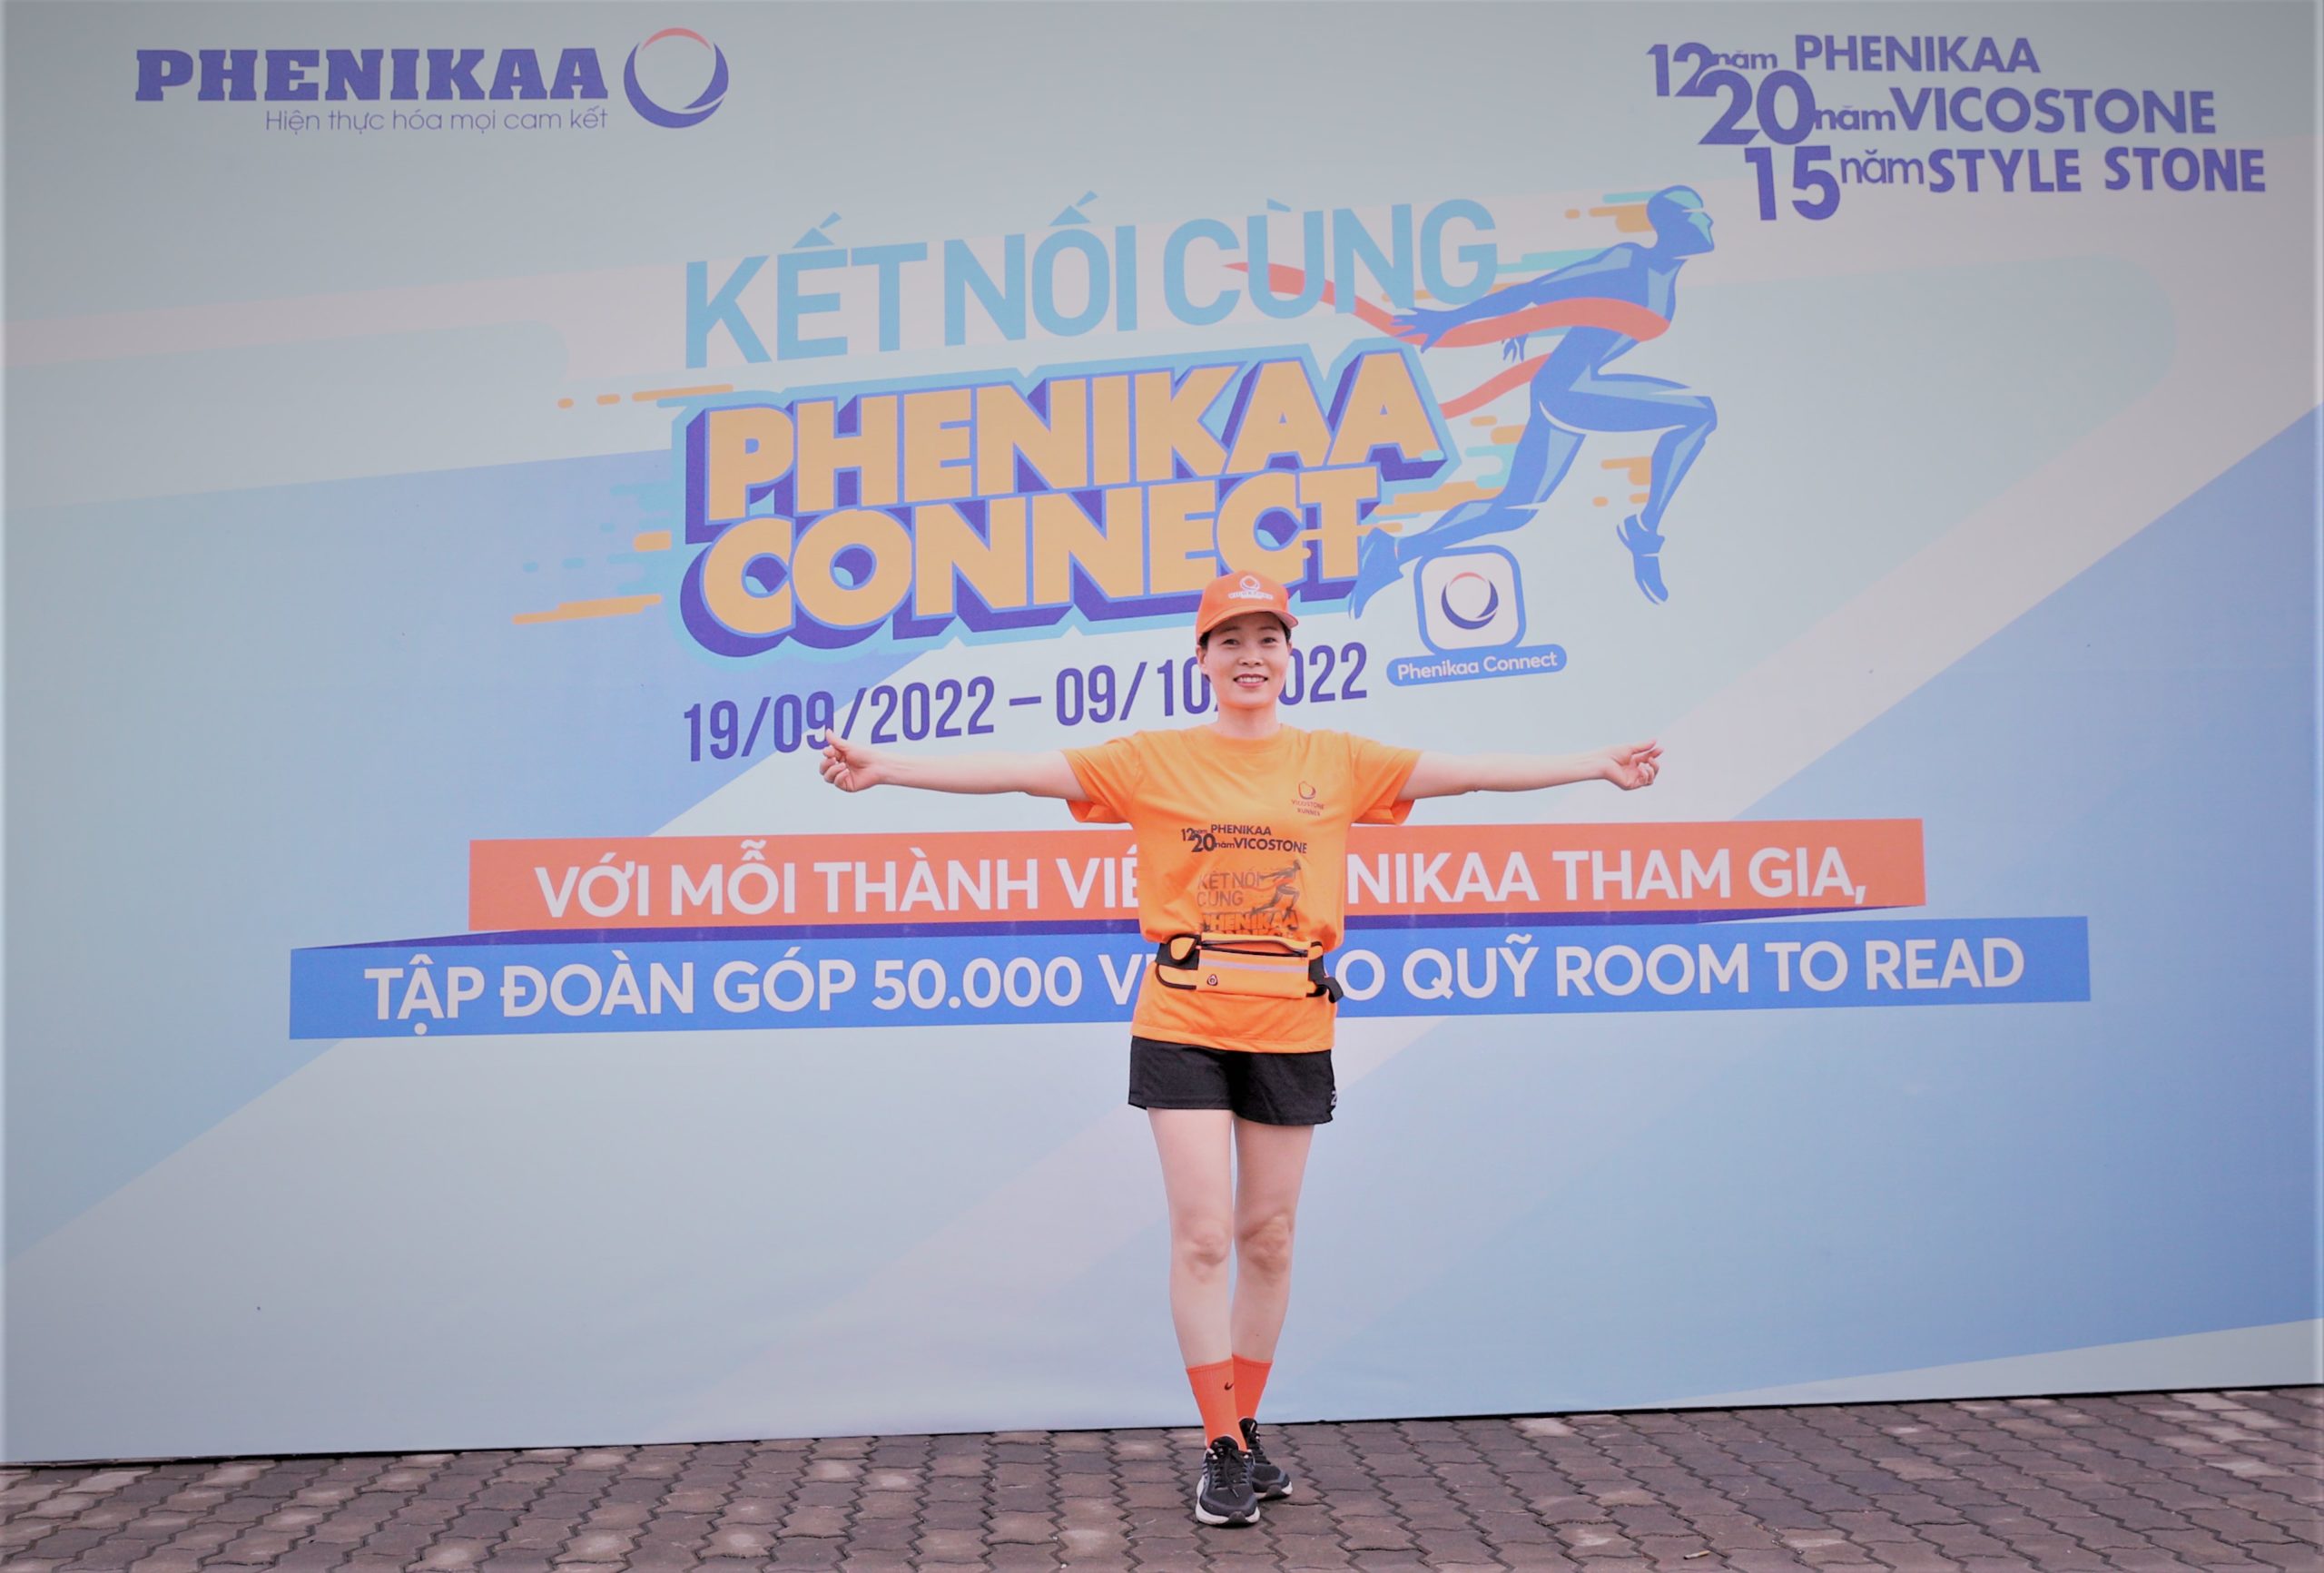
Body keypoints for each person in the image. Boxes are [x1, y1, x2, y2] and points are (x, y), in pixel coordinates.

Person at [818, 570, 1661, 1528]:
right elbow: (1021, 770)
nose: (1250, 655)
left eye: (1267, 638)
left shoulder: (1337, 759)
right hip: (1182, 1019)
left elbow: (1467, 771)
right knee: (1204, 1234)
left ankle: (1246, 1426)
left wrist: (1593, 763)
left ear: (1290, 655)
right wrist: (886, 767)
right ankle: (1220, 1445)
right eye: (1231, 640)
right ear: (1204, 658)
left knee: (1268, 1235)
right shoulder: (1152, 760)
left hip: (1290, 1020)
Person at [1352, 185, 1718, 612]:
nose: (1708, 219)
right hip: (1571, 390)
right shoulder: (1630, 261)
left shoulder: (1665, 276)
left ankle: (1394, 551)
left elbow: (1583, 313)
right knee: (1699, 413)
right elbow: (1535, 290)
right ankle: (1644, 531)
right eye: (1695, 214)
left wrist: (1528, 325)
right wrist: (1451, 320)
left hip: (1572, 390)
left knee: (1514, 510)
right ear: (1670, 225)